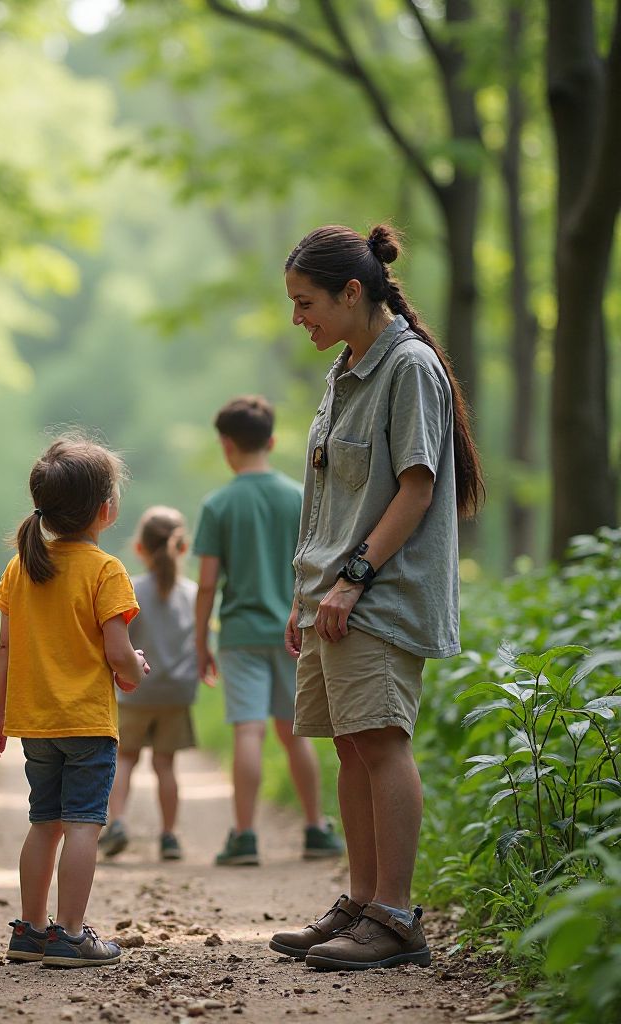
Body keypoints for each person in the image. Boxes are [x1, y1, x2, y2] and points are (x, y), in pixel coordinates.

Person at [269, 224, 484, 971]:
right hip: (329, 598)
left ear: (351, 293)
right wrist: (309, 595)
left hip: (375, 596)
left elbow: (417, 490)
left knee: (382, 741)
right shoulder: (346, 368)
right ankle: (360, 905)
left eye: (306, 303)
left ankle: (395, 916)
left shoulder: (409, 368)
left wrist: (353, 579)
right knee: (352, 746)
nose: (299, 318)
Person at [0, 436, 150, 969]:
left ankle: (30, 932)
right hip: (87, 723)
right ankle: (72, 934)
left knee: (44, 822)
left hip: (37, 724)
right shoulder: (105, 570)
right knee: (82, 824)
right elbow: (117, 652)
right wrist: (133, 671)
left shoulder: (21, 567)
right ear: (106, 509)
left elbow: (5, 648)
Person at [194, 396, 343, 865]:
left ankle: (244, 836)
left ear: (226, 446)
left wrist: (200, 642)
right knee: (293, 732)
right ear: (273, 441)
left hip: (239, 633)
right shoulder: (297, 498)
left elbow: (206, 584)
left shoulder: (218, 504)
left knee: (248, 732)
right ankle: (316, 829)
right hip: (294, 630)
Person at [99, 506, 201, 862]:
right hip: (177, 692)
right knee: (165, 765)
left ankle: (118, 823)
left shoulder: (131, 589)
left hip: (136, 692)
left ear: (139, 548)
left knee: (124, 759)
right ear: (183, 547)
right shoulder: (192, 593)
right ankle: (170, 836)